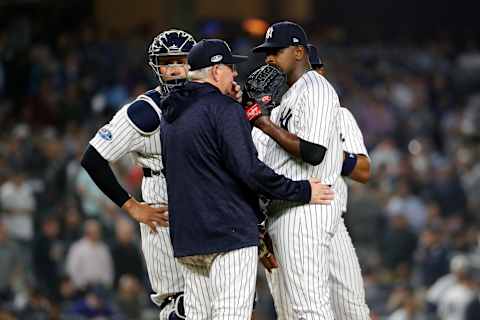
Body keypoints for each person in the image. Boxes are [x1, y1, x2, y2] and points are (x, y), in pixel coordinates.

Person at [160, 38, 332, 320]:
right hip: (228, 236)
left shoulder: (171, 114)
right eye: (230, 67)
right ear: (216, 72)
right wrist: (302, 191)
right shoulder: (224, 110)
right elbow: (250, 171)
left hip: (187, 240)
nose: (235, 73)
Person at [81, 29, 196, 319]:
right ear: (156, 66)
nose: (174, 68)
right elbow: (92, 158)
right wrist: (131, 206)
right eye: (166, 61)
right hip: (164, 204)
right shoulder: (144, 111)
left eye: (181, 60)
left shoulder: (211, 100)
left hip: (204, 202)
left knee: (216, 299)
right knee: (178, 301)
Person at [250, 21, 345, 319]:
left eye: (276, 51)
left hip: (304, 211)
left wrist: (261, 121)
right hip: (280, 211)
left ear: (300, 52)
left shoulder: (316, 89)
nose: (269, 58)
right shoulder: (281, 99)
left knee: (309, 308)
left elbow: (313, 151)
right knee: (289, 311)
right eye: (266, 52)